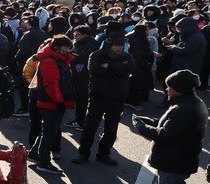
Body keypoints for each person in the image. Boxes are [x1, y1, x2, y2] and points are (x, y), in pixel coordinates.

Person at [133, 70, 207, 184]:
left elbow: (166, 135)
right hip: (175, 160)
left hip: (174, 163)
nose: (167, 89)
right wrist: (154, 122)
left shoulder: (184, 109)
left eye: (170, 86)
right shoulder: (189, 103)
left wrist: (142, 128)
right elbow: (171, 127)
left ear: (179, 89)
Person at [73, 35, 132, 166]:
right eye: (117, 44)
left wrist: (109, 66)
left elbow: (130, 68)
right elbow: (95, 70)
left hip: (117, 98)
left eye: (121, 45)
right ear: (109, 44)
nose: (119, 47)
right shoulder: (96, 55)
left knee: (111, 128)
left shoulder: (127, 56)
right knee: (90, 127)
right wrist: (118, 68)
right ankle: (83, 152)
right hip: (98, 96)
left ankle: (104, 153)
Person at [28, 35, 75, 175]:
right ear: (56, 47)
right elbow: (51, 84)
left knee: (47, 130)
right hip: (50, 102)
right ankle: (44, 162)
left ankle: (35, 154)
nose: (68, 50)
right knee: (50, 132)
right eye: (66, 48)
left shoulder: (57, 59)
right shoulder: (50, 61)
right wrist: (59, 101)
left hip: (52, 101)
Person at [68, 26, 97, 128]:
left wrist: (69, 54)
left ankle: (80, 122)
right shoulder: (81, 44)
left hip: (83, 77)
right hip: (80, 76)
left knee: (82, 100)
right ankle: (81, 121)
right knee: (81, 100)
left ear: (85, 35)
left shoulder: (88, 46)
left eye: (77, 35)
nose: (75, 36)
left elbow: (80, 60)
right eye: (74, 34)